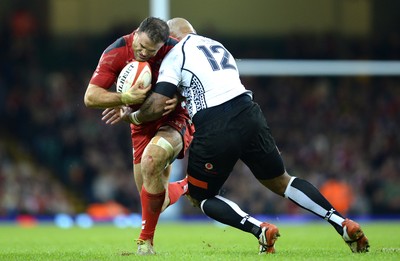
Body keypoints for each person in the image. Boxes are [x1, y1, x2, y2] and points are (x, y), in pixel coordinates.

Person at [128, 17, 370, 254]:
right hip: (249, 113)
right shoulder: (215, 45)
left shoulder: (175, 53)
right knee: (281, 181)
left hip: (215, 123)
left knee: (200, 195)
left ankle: (259, 230)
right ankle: (341, 223)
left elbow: (158, 105)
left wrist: (131, 115)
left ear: (172, 38)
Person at [84, 17, 193, 255]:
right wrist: (123, 99)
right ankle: (189, 186)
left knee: (152, 160)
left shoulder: (174, 50)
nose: (143, 53)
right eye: (140, 46)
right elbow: (91, 97)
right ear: (137, 33)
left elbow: (198, 80)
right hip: (140, 125)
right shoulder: (118, 50)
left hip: (175, 118)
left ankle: (145, 244)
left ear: (161, 46)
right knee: (153, 199)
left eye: (150, 51)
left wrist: (181, 97)